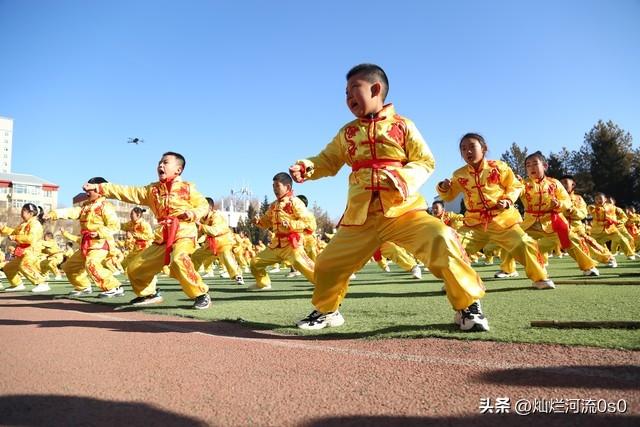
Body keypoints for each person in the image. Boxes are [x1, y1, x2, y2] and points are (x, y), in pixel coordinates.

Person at [290, 64, 488, 331]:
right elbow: (328, 160)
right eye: (345, 93)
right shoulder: (347, 132)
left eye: (353, 90)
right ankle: (327, 311)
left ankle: (467, 305)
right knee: (327, 263)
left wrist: (401, 178)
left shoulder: (403, 126)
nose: (348, 98)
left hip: (404, 210)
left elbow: (425, 161)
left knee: (442, 238)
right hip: (361, 216)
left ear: (375, 89)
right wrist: (308, 167)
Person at [82, 152, 212, 309]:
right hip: (162, 236)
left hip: (183, 232)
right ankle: (148, 294)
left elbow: (203, 205)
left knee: (179, 259)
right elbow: (127, 191)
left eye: (165, 162)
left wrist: (193, 213)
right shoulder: (152, 191)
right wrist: (100, 187)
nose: (160, 165)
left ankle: (201, 294)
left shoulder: (187, 188)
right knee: (135, 268)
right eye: (159, 163)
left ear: (178, 170)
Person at [437, 133, 555, 290]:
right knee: (453, 245)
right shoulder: (459, 174)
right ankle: (457, 282)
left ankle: (540, 278)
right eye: (463, 149)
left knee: (524, 243)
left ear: (484, 148)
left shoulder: (499, 167)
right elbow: (449, 194)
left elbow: (515, 185)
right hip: (474, 222)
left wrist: (507, 200)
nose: (468, 152)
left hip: (502, 219)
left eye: (472, 146)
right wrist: (443, 187)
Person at [498, 151, 600, 277]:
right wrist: (513, 183)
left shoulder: (554, 183)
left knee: (571, 239)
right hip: (530, 222)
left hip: (552, 221)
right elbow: (515, 191)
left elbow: (566, 201)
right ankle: (508, 269)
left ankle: (588, 266)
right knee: (512, 238)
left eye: (535, 163)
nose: (531, 168)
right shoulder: (523, 184)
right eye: (528, 165)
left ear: (545, 166)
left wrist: (558, 204)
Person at [46, 178, 124, 297]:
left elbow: (115, 226)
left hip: (100, 243)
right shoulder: (85, 207)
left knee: (91, 263)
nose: (87, 193)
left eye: (90, 190)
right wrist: (54, 214)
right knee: (69, 267)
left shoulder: (106, 206)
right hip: (86, 244)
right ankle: (83, 287)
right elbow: (72, 212)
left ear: (100, 190)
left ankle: (114, 287)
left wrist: (99, 233)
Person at [250, 172, 316, 290]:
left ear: (288, 187)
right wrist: (258, 221)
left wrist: (291, 224)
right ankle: (263, 283)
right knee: (255, 263)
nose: (275, 189)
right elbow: (267, 221)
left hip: (292, 245)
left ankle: (325, 284)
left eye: (277, 186)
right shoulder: (273, 205)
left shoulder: (295, 202)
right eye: (273, 186)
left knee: (305, 266)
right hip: (276, 245)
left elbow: (309, 223)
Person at [559, 175, 616, 267]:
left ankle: (607, 258)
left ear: (573, 185)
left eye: (565, 182)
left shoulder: (578, 199)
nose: (563, 185)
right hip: (557, 228)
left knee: (587, 243)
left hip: (575, 228)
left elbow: (583, 213)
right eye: (561, 183)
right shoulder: (555, 197)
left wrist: (573, 211)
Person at [191, 197, 244, 285]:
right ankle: (192, 276)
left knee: (226, 255)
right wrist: (194, 239)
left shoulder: (216, 216)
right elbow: (200, 233)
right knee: (196, 256)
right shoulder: (202, 219)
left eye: (203, 207)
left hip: (224, 241)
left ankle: (238, 275)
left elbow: (214, 231)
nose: (200, 209)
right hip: (211, 243)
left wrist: (200, 226)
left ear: (210, 208)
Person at [0, 203, 49, 292]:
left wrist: (15, 237)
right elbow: (14, 232)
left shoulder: (35, 224)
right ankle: (17, 284)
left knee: (24, 265)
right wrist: (3, 228)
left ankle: (42, 283)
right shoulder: (23, 224)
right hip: (22, 251)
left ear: (31, 213)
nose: (21, 213)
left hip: (32, 251)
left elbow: (31, 238)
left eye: (23, 211)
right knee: (8, 268)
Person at [120, 207, 154, 271]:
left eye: (132, 214)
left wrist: (134, 235)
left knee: (142, 267)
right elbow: (123, 226)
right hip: (137, 248)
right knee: (124, 264)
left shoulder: (144, 224)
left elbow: (149, 236)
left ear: (138, 215)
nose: (130, 216)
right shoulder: (131, 223)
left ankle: (150, 280)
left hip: (145, 249)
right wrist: (112, 223)